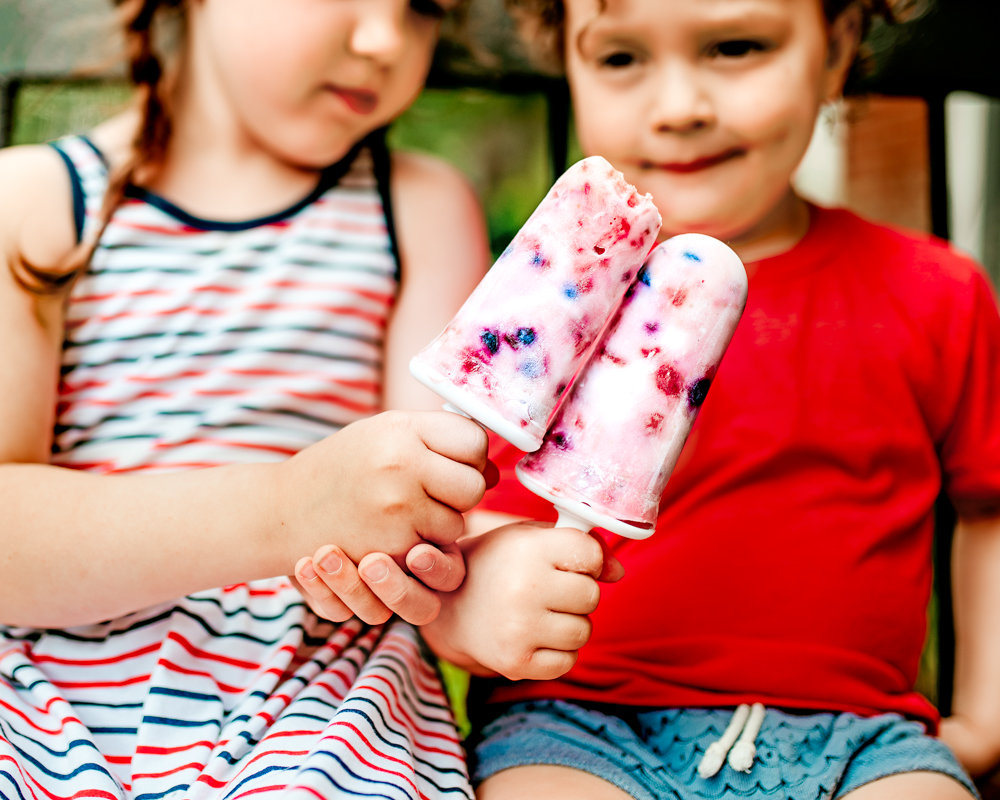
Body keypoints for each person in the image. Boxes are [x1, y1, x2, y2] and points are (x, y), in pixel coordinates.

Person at [294, 0, 1000, 798]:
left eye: (735, 47)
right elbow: (448, 527)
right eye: (622, 59)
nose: (679, 109)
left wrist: (983, 719)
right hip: (572, 725)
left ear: (836, 47)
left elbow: (988, 510)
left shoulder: (936, 295)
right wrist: (481, 595)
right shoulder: (543, 317)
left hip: (866, 740)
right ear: (567, 60)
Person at [0, 0, 498, 797]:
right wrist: (290, 507)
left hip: (323, 708)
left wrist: (488, 584)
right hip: (33, 712)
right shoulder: (36, 202)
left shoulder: (419, 208)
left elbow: (444, 511)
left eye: (423, 8)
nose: (383, 41)